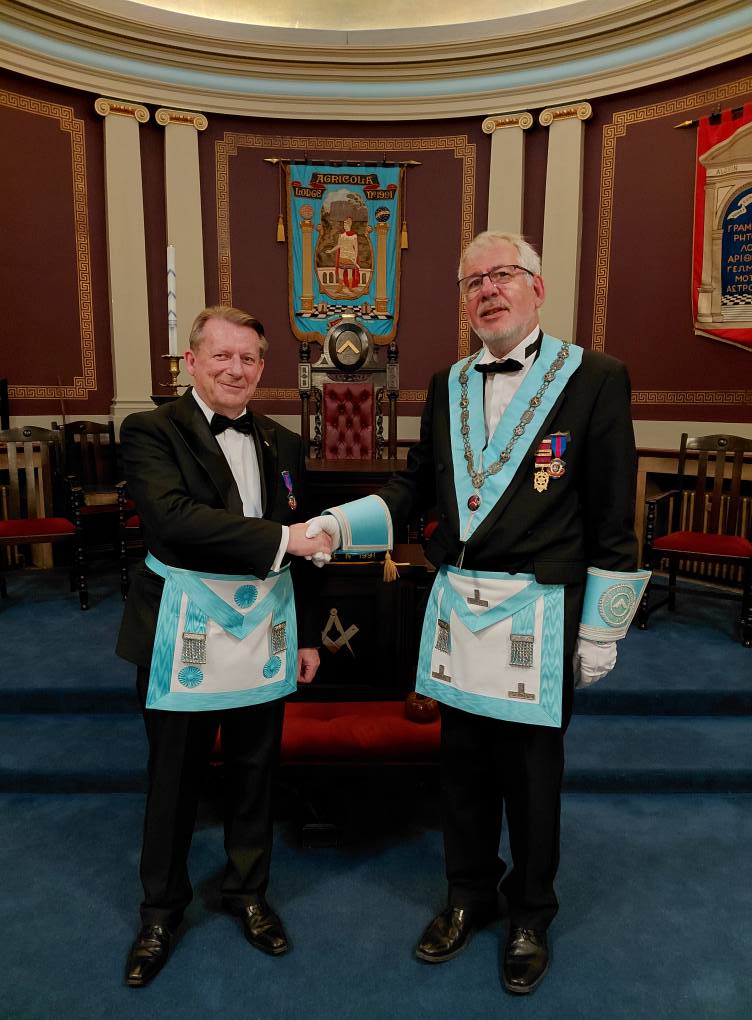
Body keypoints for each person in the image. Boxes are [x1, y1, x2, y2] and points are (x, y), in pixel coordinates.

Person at [306, 232, 648, 995]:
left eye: (503, 276)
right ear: (463, 299)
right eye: (473, 282)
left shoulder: (595, 377)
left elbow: (611, 514)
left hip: (539, 612)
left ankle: (530, 913)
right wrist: (336, 525)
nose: (488, 290)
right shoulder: (447, 383)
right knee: (460, 769)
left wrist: (602, 629)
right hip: (460, 608)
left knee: (531, 778)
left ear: (537, 287)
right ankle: (467, 895)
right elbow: (413, 489)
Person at [116, 305, 332, 988]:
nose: (236, 369)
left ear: (262, 367)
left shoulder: (283, 443)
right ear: (191, 361)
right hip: (181, 628)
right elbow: (174, 521)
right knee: (173, 782)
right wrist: (284, 539)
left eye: (248, 358)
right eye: (222, 356)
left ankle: (248, 891)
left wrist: (308, 634)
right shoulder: (150, 431)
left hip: (263, 633)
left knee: (253, 774)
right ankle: (160, 912)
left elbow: (305, 544)